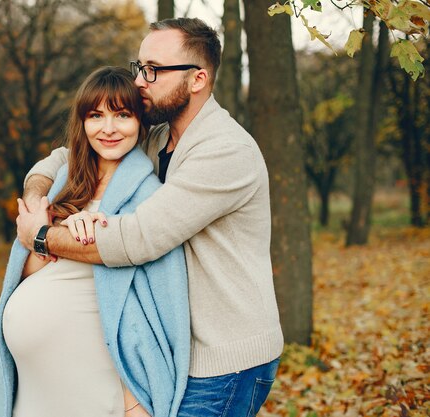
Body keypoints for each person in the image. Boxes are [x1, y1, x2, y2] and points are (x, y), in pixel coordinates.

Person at [16, 17, 284, 417]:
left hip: (222, 361)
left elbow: (138, 238)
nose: (140, 81)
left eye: (153, 70)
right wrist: (37, 196)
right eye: (138, 67)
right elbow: (65, 158)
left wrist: (41, 237)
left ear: (197, 80)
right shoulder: (157, 138)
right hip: (176, 349)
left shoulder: (226, 151)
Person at [0, 66, 190, 417]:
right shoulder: (65, 184)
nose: (108, 128)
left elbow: (156, 306)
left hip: (95, 385)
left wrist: (134, 400)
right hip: (36, 385)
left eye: (122, 115)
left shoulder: (149, 199)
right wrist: (64, 231)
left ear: (140, 122)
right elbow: (29, 269)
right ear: (82, 123)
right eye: (96, 115)